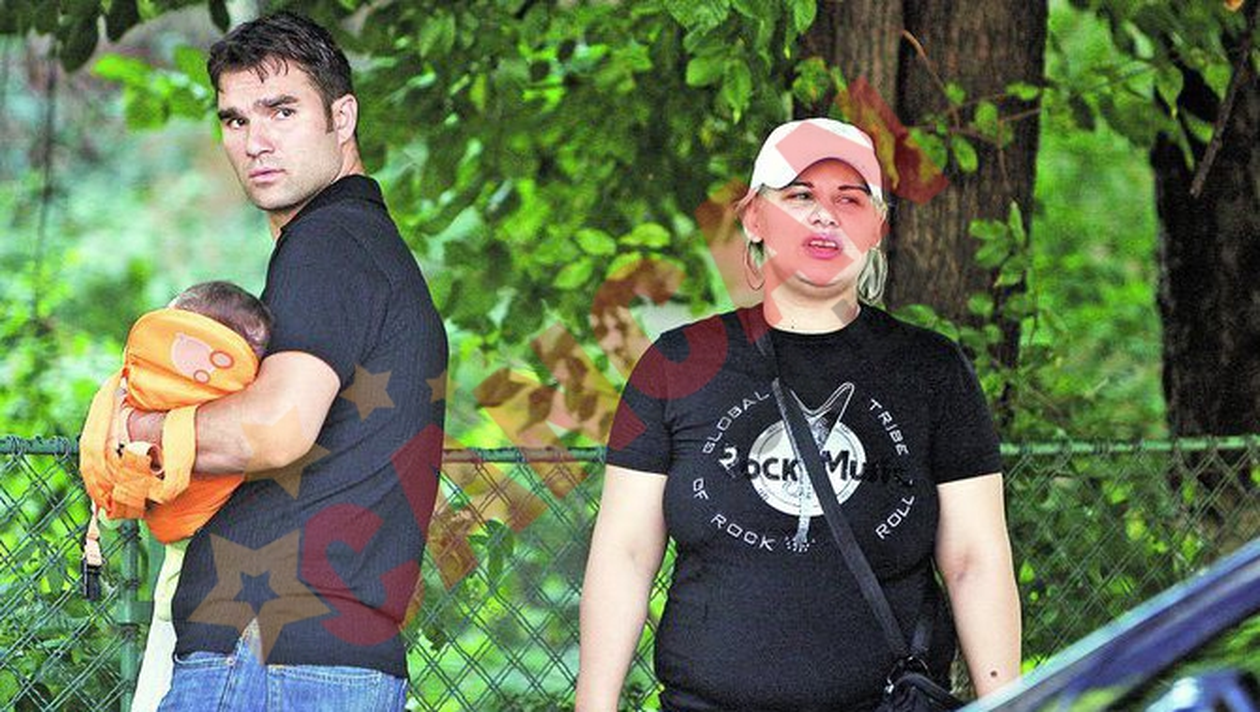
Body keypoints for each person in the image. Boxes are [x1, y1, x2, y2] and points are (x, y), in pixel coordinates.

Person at [576, 118, 1021, 711]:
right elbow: (625, 554)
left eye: (849, 199)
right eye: (800, 195)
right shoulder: (677, 364)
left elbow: (974, 562)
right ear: (754, 219)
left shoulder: (932, 370)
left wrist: (1007, 705)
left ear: (877, 226)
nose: (825, 215)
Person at [124, 12, 448, 712]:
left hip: (268, 660)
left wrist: (139, 432)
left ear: (342, 116)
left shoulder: (329, 243)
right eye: (235, 120)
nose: (255, 141)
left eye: (282, 110)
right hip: (313, 657)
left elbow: (275, 428)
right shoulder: (364, 247)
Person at [78, 280, 273, 712]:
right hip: (254, 601)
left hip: (187, 605)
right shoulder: (257, 412)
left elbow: (113, 499)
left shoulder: (140, 407)